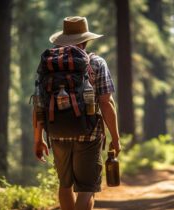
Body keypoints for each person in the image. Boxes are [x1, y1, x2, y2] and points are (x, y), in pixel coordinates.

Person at [32, 16, 121, 210]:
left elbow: (38, 104)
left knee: (65, 186)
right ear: (86, 39)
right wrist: (115, 137)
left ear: (63, 39)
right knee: (86, 189)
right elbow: (106, 103)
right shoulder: (96, 62)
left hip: (56, 133)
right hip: (90, 134)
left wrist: (38, 139)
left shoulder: (49, 65)